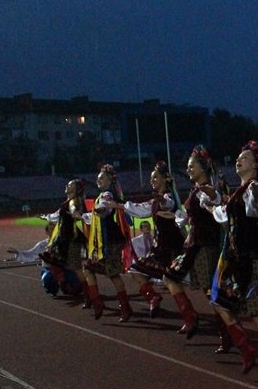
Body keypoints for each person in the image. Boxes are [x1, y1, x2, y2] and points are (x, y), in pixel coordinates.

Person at [209, 141, 258, 384]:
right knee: (219, 302)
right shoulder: (240, 190)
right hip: (236, 257)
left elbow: (256, 208)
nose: (238, 160)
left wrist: (256, 195)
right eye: (238, 157)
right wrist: (212, 206)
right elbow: (226, 216)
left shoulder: (254, 188)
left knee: (257, 313)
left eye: (244, 158)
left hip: (252, 259)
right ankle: (247, 348)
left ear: (255, 165)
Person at [163, 145, 229, 348]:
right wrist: (179, 217)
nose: (188, 169)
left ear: (203, 167)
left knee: (210, 290)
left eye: (192, 166)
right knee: (171, 277)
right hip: (194, 244)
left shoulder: (206, 190)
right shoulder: (197, 190)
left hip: (205, 244)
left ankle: (228, 334)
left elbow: (216, 202)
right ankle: (192, 317)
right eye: (188, 166)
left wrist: (213, 198)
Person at [124, 161, 186, 317]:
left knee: (171, 279)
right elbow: (139, 209)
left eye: (155, 177)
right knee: (137, 270)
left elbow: (168, 204)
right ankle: (154, 298)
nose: (152, 180)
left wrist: (162, 200)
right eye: (151, 178)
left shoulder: (168, 197)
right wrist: (118, 205)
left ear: (165, 179)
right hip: (160, 247)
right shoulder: (154, 201)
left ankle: (190, 315)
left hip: (170, 246)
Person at [80, 164, 134, 322]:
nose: (98, 180)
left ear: (110, 181)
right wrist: (82, 215)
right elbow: (96, 217)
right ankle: (97, 301)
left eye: (102, 178)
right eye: (98, 178)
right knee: (88, 268)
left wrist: (100, 210)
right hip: (103, 242)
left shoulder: (107, 195)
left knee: (113, 274)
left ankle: (124, 307)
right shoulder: (102, 195)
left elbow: (105, 210)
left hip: (110, 241)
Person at [38, 179, 88, 300]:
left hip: (70, 239)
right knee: (55, 261)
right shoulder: (67, 202)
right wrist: (45, 216)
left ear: (76, 189)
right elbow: (56, 216)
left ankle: (89, 295)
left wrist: (75, 212)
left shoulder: (72, 202)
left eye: (70, 185)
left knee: (76, 268)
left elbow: (74, 209)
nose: (67, 186)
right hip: (64, 240)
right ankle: (67, 284)